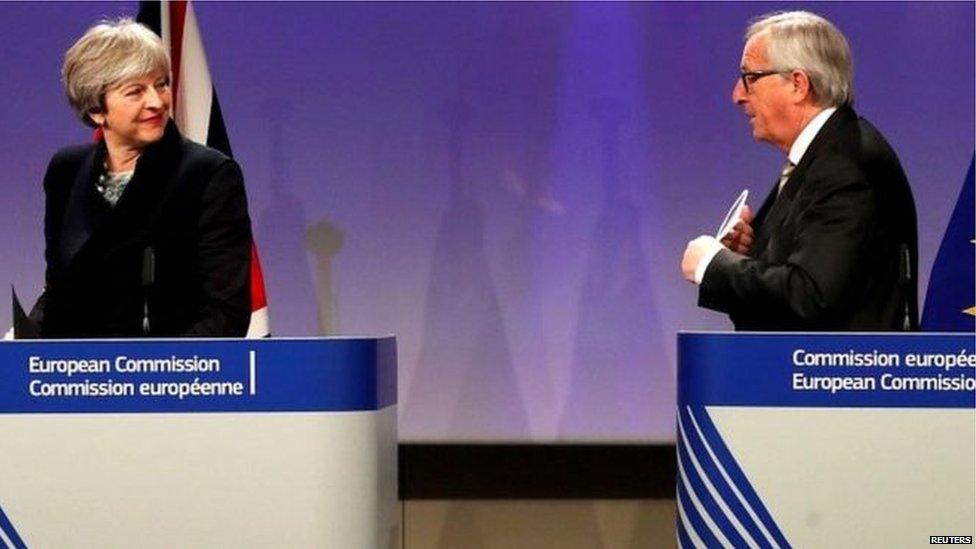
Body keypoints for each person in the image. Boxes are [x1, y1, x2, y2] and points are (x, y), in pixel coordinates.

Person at [680, 11, 918, 331]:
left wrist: (714, 265)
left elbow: (810, 296)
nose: (737, 95)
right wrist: (750, 256)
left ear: (797, 84)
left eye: (750, 77)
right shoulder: (825, 153)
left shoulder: (844, 165)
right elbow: (816, 281)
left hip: (838, 378)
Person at [31, 18, 252, 337]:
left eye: (161, 84)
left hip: (172, 376)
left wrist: (149, 372)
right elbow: (60, 290)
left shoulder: (208, 175)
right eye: (135, 91)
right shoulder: (65, 170)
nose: (157, 101)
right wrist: (21, 344)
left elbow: (225, 314)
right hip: (81, 378)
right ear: (97, 110)